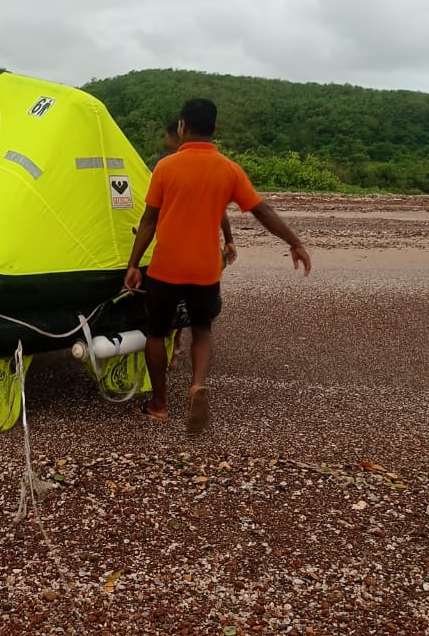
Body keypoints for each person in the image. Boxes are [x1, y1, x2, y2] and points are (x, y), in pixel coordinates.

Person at [125, 97, 311, 432]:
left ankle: (159, 404)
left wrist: (133, 264)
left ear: (182, 126)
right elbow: (263, 211)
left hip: (167, 268)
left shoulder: (165, 167)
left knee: (156, 332)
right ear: (214, 129)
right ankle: (196, 385)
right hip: (206, 269)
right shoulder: (229, 169)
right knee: (202, 329)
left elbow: (149, 221)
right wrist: (294, 242)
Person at [154, 117, 237, 369]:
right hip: (203, 254)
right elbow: (222, 208)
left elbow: (150, 213)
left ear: (177, 133)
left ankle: (172, 350)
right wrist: (230, 239)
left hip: (171, 250)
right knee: (200, 318)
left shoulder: (163, 164)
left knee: (162, 314)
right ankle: (182, 355)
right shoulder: (216, 166)